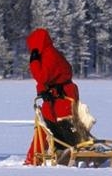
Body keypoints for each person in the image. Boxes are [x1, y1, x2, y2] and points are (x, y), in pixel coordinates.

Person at [24, 28, 80, 166]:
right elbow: (49, 78)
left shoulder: (49, 55)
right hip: (60, 96)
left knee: (48, 127)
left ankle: (34, 159)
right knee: (54, 127)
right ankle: (38, 157)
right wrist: (42, 91)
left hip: (61, 99)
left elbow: (41, 76)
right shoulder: (51, 53)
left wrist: (34, 61)